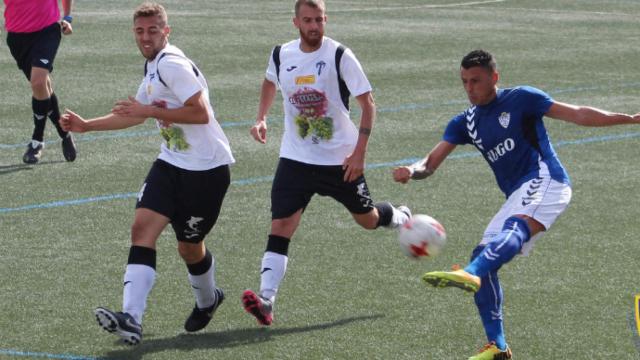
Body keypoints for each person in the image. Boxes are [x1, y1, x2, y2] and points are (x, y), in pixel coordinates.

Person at [393, 49, 640, 360]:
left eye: (476, 81)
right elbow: (430, 163)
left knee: (511, 231)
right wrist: (412, 171)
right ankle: (497, 346)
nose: (469, 88)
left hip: (547, 179)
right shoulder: (466, 122)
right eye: (464, 82)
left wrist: (629, 119)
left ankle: (471, 273)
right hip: (517, 194)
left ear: (495, 77)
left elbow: (577, 113)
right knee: (483, 253)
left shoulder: (522, 98)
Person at [60, 2, 234, 345]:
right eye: (140, 31)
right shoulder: (152, 66)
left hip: (207, 172)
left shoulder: (173, 65)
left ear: (165, 32)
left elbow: (200, 113)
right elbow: (136, 115)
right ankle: (132, 319)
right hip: (170, 165)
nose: (145, 37)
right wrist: (87, 127)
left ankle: (208, 299)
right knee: (141, 228)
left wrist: (149, 109)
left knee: (189, 248)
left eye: (153, 30)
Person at [243, 0, 411, 326]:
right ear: (296, 22)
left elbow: (368, 104)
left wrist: (360, 153)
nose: (314, 26)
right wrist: (261, 118)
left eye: (319, 19)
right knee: (281, 226)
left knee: (367, 219)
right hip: (296, 160)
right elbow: (269, 81)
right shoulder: (281, 54)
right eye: (308, 20)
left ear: (325, 19)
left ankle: (398, 216)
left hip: (340, 161)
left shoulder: (339, 55)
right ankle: (266, 300)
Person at [4, 0, 77, 164]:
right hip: (17, 37)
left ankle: (37, 141)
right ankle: (64, 133)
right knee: (43, 87)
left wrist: (68, 17)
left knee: (38, 82)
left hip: (47, 31)